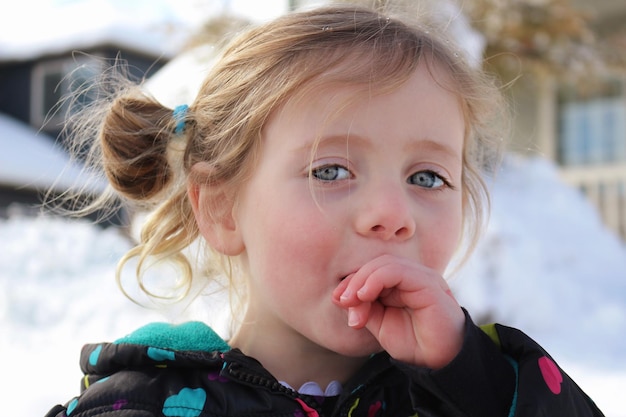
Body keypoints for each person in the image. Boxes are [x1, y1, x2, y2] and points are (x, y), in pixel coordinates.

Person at [45, 4, 604, 417]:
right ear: (221, 208)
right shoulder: (143, 404)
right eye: (330, 170)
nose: (391, 214)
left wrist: (469, 374)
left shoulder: (472, 398)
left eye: (427, 177)